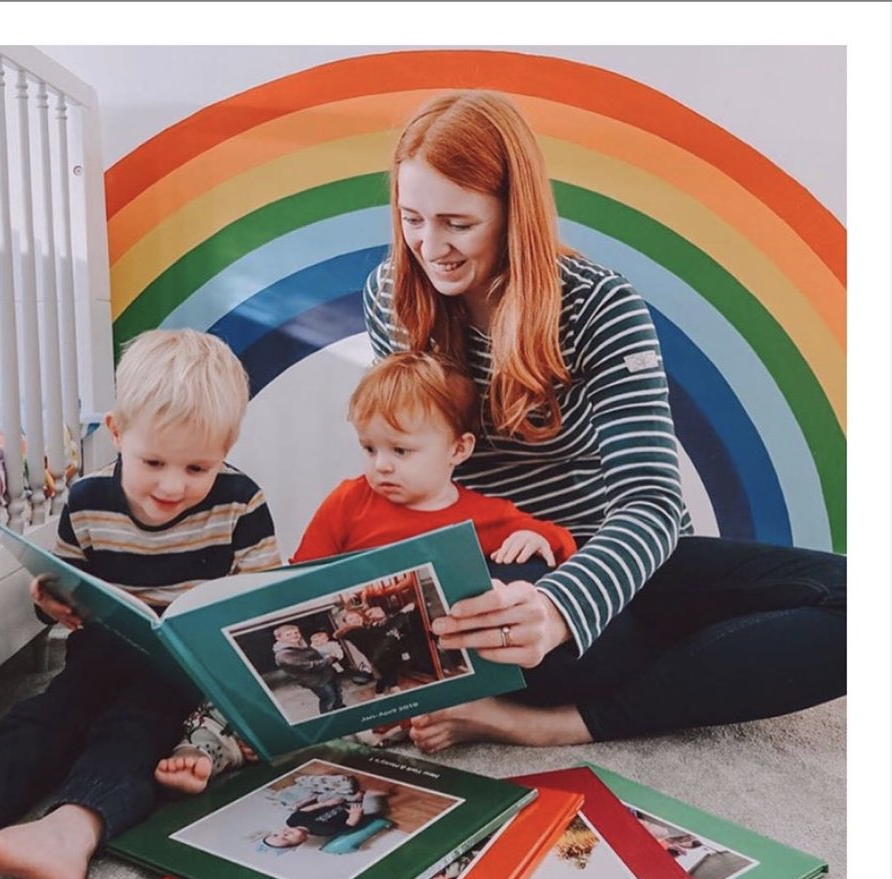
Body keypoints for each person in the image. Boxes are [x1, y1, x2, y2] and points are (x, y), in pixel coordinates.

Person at [361, 90, 846, 752]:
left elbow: (649, 502)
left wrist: (564, 606)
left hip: (620, 552)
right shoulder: (391, 295)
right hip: (495, 569)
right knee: (581, 658)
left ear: (513, 213)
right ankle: (625, 675)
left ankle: (555, 720)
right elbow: (410, 472)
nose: (430, 246)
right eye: (412, 218)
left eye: (457, 223)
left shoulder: (600, 307)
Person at [0, 328, 281, 879]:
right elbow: (63, 587)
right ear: (116, 432)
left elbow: (260, 602)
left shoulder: (241, 501)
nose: (173, 485)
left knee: (133, 734)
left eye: (198, 468)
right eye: (153, 460)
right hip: (100, 653)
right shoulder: (86, 501)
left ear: (224, 453)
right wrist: (50, 605)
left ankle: (68, 833)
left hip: (180, 671)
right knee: (38, 719)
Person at [293, 350, 576, 567]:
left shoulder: (486, 517)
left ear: (458, 449)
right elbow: (298, 579)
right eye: (369, 448)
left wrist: (536, 538)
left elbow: (562, 541)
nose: (381, 465)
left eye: (400, 450)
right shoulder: (347, 502)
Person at [261, 779, 388, 851]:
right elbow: (348, 826)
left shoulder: (292, 821)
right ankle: (367, 796)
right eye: (286, 839)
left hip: (333, 802)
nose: (284, 834)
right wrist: (354, 815)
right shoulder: (322, 832)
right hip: (351, 810)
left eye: (277, 834)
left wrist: (325, 804)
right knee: (372, 810)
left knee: (323, 797)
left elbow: (306, 809)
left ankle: (353, 795)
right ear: (302, 841)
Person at [271, 623, 346, 714]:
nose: (294, 635)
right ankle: (330, 717)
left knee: (337, 693)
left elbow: (316, 654)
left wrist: (326, 653)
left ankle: (341, 710)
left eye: (296, 632)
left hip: (327, 674)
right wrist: (330, 659)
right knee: (329, 699)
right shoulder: (284, 655)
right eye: (288, 634)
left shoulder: (299, 644)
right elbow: (309, 665)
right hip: (317, 681)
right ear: (279, 638)